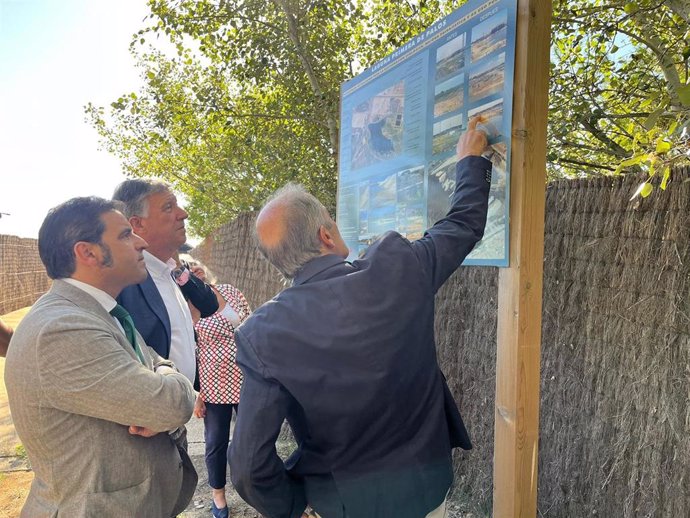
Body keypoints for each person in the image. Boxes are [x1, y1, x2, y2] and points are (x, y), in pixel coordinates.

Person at [228, 118, 492, 518]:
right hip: (428, 487)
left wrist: (293, 505)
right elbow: (462, 225)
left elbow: (248, 467)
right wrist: (470, 160)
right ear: (325, 236)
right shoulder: (397, 268)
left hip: (345, 504)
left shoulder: (263, 333)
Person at [4, 197, 197, 517]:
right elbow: (167, 405)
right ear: (88, 252)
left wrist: (162, 376)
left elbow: (156, 361)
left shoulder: (99, 312)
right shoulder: (62, 330)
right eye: (124, 235)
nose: (141, 242)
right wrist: (173, 385)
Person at [113, 179, 219, 383]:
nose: (183, 214)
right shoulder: (121, 283)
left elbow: (209, 305)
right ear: (137, 224)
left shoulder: (171, 270)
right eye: (168, 207)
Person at [181, 256, 251, 518]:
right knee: (215, 442)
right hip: (214, 383)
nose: (193, 268)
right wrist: (198, 395)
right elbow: (192, 351)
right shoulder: (188, 307)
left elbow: (252, 322)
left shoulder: (230, 291)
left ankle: (257, 486)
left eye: (194, 263)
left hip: (246, 375)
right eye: (186, 268)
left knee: (252, 437)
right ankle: (218, 496)